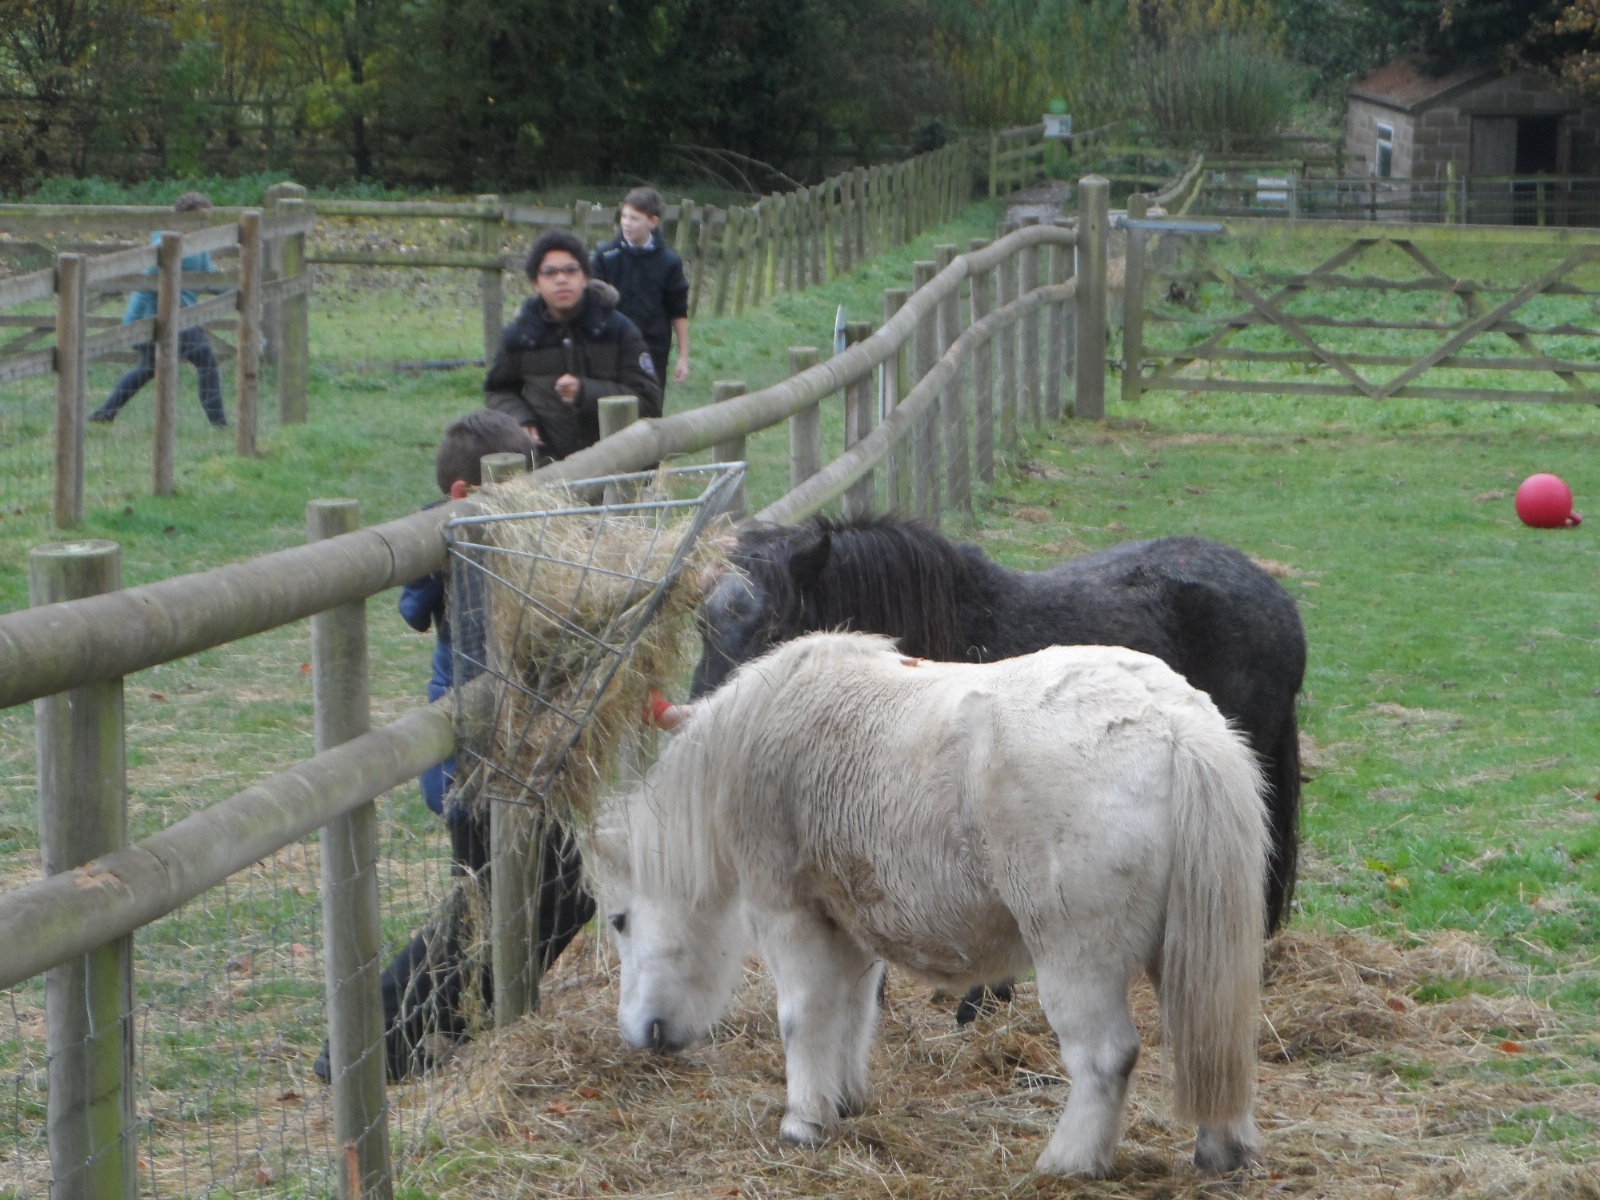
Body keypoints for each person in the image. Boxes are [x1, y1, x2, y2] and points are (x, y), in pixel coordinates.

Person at [313, 409, 596, 1084]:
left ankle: (462, 1017)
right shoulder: (455, 532)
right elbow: (414, 609)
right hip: (471, 761)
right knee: (484, 907)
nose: (522, 498)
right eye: (508, 486)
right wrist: (448, 548)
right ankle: (367, 1040)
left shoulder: (512, 529)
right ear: (466, 493)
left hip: (513, 749)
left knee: (555, 891)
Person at [484, 229, 661, 461]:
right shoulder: (520, 336)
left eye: (570, 270)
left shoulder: (618, 330)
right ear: (536, 282)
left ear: (585, 277)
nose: (561, 279)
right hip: (547, 466)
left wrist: (585, 392)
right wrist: (521, 420)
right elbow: (498, 391)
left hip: (617, 464)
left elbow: (649, 402)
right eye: (550, 272)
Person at [90, 192, 228, 429]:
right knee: (205, 359)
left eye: (206, 218)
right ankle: (219, 424)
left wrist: (238, 293)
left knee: (149, 367)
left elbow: (210, 278)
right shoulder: (165, 241)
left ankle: (105, 414)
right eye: (198, 217)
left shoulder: (200, 245)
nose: (202, 223)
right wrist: (173, 301)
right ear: (183, 217)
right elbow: (152, 275)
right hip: (155, 315)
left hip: (178, 315)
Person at [590, 187, 691, 391]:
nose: (627, 223)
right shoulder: (605, 256)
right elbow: (590, 305)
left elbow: (678, 311)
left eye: (634, 218)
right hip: (611, 348)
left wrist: (683, 356)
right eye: (624, 216)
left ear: (652, 222)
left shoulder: (669, 262)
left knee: (649, 405)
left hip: (652, 349)